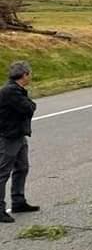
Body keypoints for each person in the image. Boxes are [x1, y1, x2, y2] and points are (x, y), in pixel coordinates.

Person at [0, 61, 38, 223]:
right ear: (25, 75)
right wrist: (31, 103)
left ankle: (18, 201)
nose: (30, 77)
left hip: (18, 135)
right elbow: (29, 108)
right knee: (3, 173)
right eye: (29, 74)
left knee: (22, 167)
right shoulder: (11, 92)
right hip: (8, 136)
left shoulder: (16, 90)